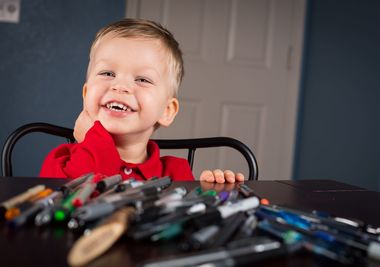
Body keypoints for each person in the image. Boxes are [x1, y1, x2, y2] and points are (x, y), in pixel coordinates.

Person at [40, 19, 244, 184]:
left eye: (142, 79)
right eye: (108, 73)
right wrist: (92, 142)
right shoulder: (61, 162)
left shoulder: (176, 173)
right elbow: (77, 204)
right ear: (86, 95)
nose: (120, 86)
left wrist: (213, 194)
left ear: (167, 111)